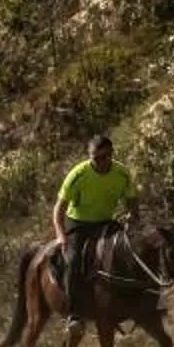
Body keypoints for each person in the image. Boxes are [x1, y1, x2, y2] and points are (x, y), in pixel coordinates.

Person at [52, 135, 136, 324]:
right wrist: (60, 235)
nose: (100, 162)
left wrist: (132, 215)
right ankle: (74, 315)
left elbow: (131, 201)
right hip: (78, 224)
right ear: (89, 156)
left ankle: (136, 300)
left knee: (129, 250)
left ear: (111, 154)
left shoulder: (122, 173)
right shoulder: (78, 175)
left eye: (104, 157)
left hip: (106, 222)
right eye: (95, 158)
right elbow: (59, 209)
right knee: (73, 261)